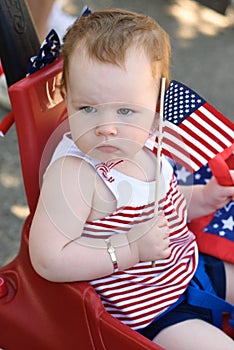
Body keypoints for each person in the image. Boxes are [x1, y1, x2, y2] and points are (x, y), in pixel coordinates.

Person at [28, 9, 234, 349]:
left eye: (125, 110)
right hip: (152, 311)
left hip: (189, 270)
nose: (106, 126)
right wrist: (128, 248)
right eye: (87, 108)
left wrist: (204, 197)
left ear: (157, 104)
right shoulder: (76, 175)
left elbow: (163, 203)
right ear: (67, 94)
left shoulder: (148, 140)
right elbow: (48, 259)